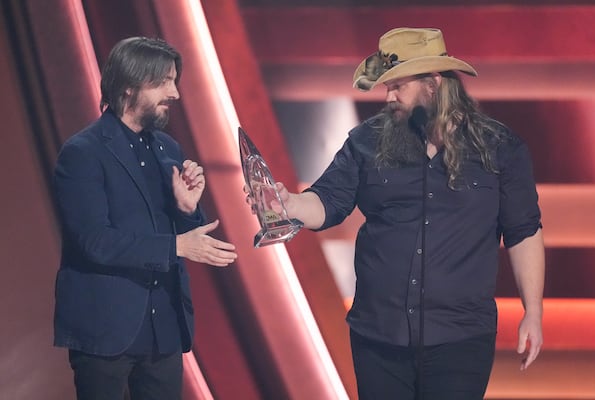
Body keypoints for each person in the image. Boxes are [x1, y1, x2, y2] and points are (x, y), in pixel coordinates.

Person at [260, 27, 545, 399]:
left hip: (459, 338)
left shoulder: (499, 149)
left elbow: (523, 232)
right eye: (385, 87)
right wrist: (290, 204)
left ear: (434, 84)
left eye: (399, 86)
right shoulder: (366, 141)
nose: (389, 96)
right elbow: (328, 200)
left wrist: (533, 312)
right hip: (378, 337)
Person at [53, 36, 237, 400]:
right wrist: (179, 245)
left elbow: (174, 232)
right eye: (163, 82)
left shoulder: (167, 148)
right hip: (105, 329)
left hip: (163, 328)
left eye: (175, 81)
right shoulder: (82, 153)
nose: (175, 94)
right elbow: (95, 241)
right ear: (128, 87)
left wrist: (187, 209)